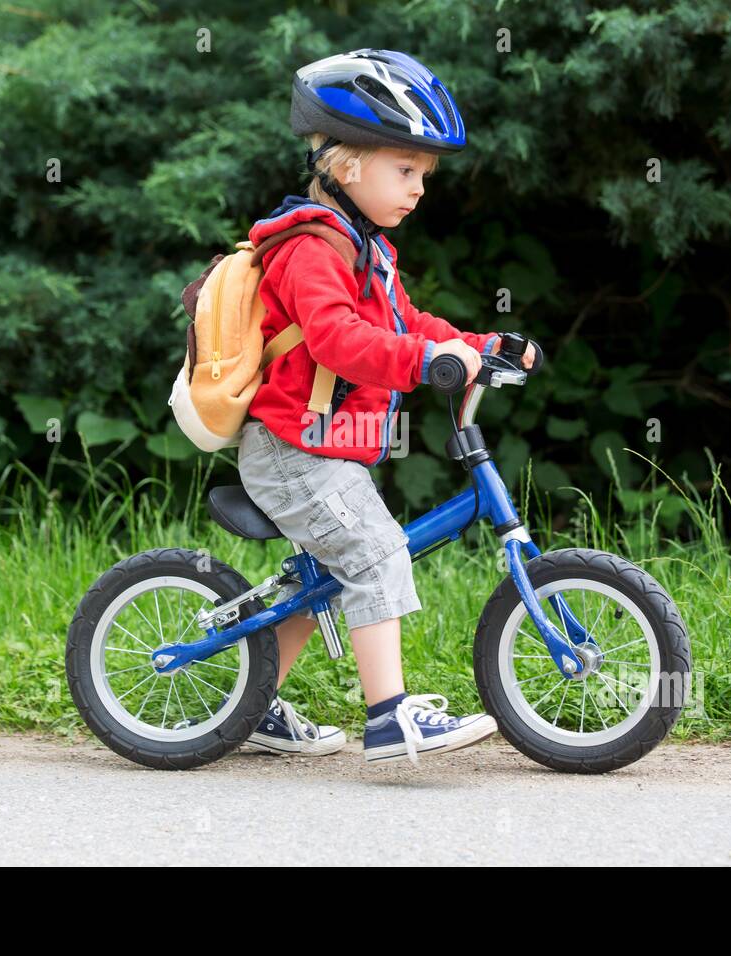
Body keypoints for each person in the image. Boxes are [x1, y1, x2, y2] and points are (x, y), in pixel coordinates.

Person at [235, 49, 535, 765]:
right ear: (346, 165)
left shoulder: (366, 250)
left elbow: (409, 326)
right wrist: (423, 363)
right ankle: (390, 719)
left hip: (321, 448)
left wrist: (478, 344)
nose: (419, 188)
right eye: (406, 170)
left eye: (424, 175)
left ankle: (249, 705)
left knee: (320, 582)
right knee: (376, 551)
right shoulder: (311, 249)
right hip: (292, 449)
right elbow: (340, 342)